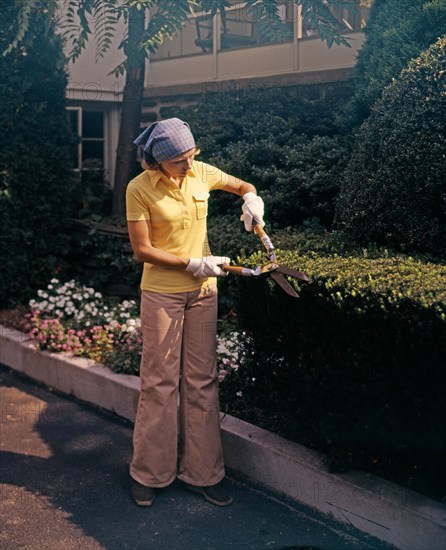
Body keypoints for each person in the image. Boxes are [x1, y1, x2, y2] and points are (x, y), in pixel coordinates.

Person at [126, 117, 264, 508]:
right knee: (160, 383)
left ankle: (203, 474)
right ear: (156, 161)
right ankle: (149, 474)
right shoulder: (139, 189)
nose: (188, 166)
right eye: (179, 162)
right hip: (163, 296)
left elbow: (242, 185)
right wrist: (191, 263)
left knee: (202, 381)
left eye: (191, 156)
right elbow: (142, 250)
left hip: (204, 294)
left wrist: (251, 200)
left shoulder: (202, 172)